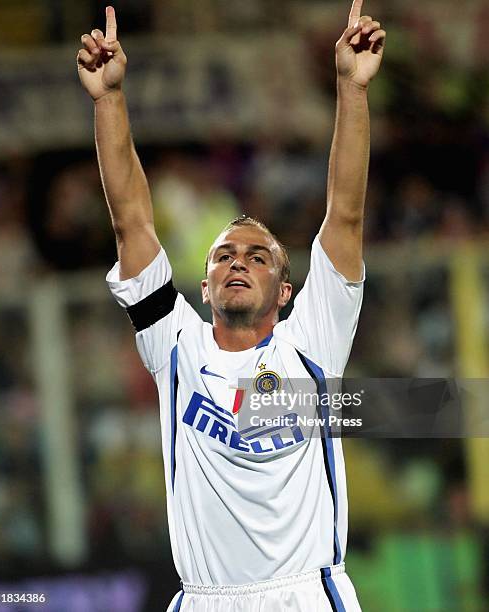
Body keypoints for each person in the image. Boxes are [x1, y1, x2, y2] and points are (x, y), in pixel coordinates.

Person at [77, 1, 385, 610]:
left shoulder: (314, 341)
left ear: (287, 292)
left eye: (258, 256)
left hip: (305, 596)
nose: (238, 262)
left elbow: (344, 215)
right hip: (205, 599)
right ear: (204, 286)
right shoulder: (176, 345)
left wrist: (351, 87)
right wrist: (108, 99)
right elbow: (132, 223)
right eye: (222, 256)